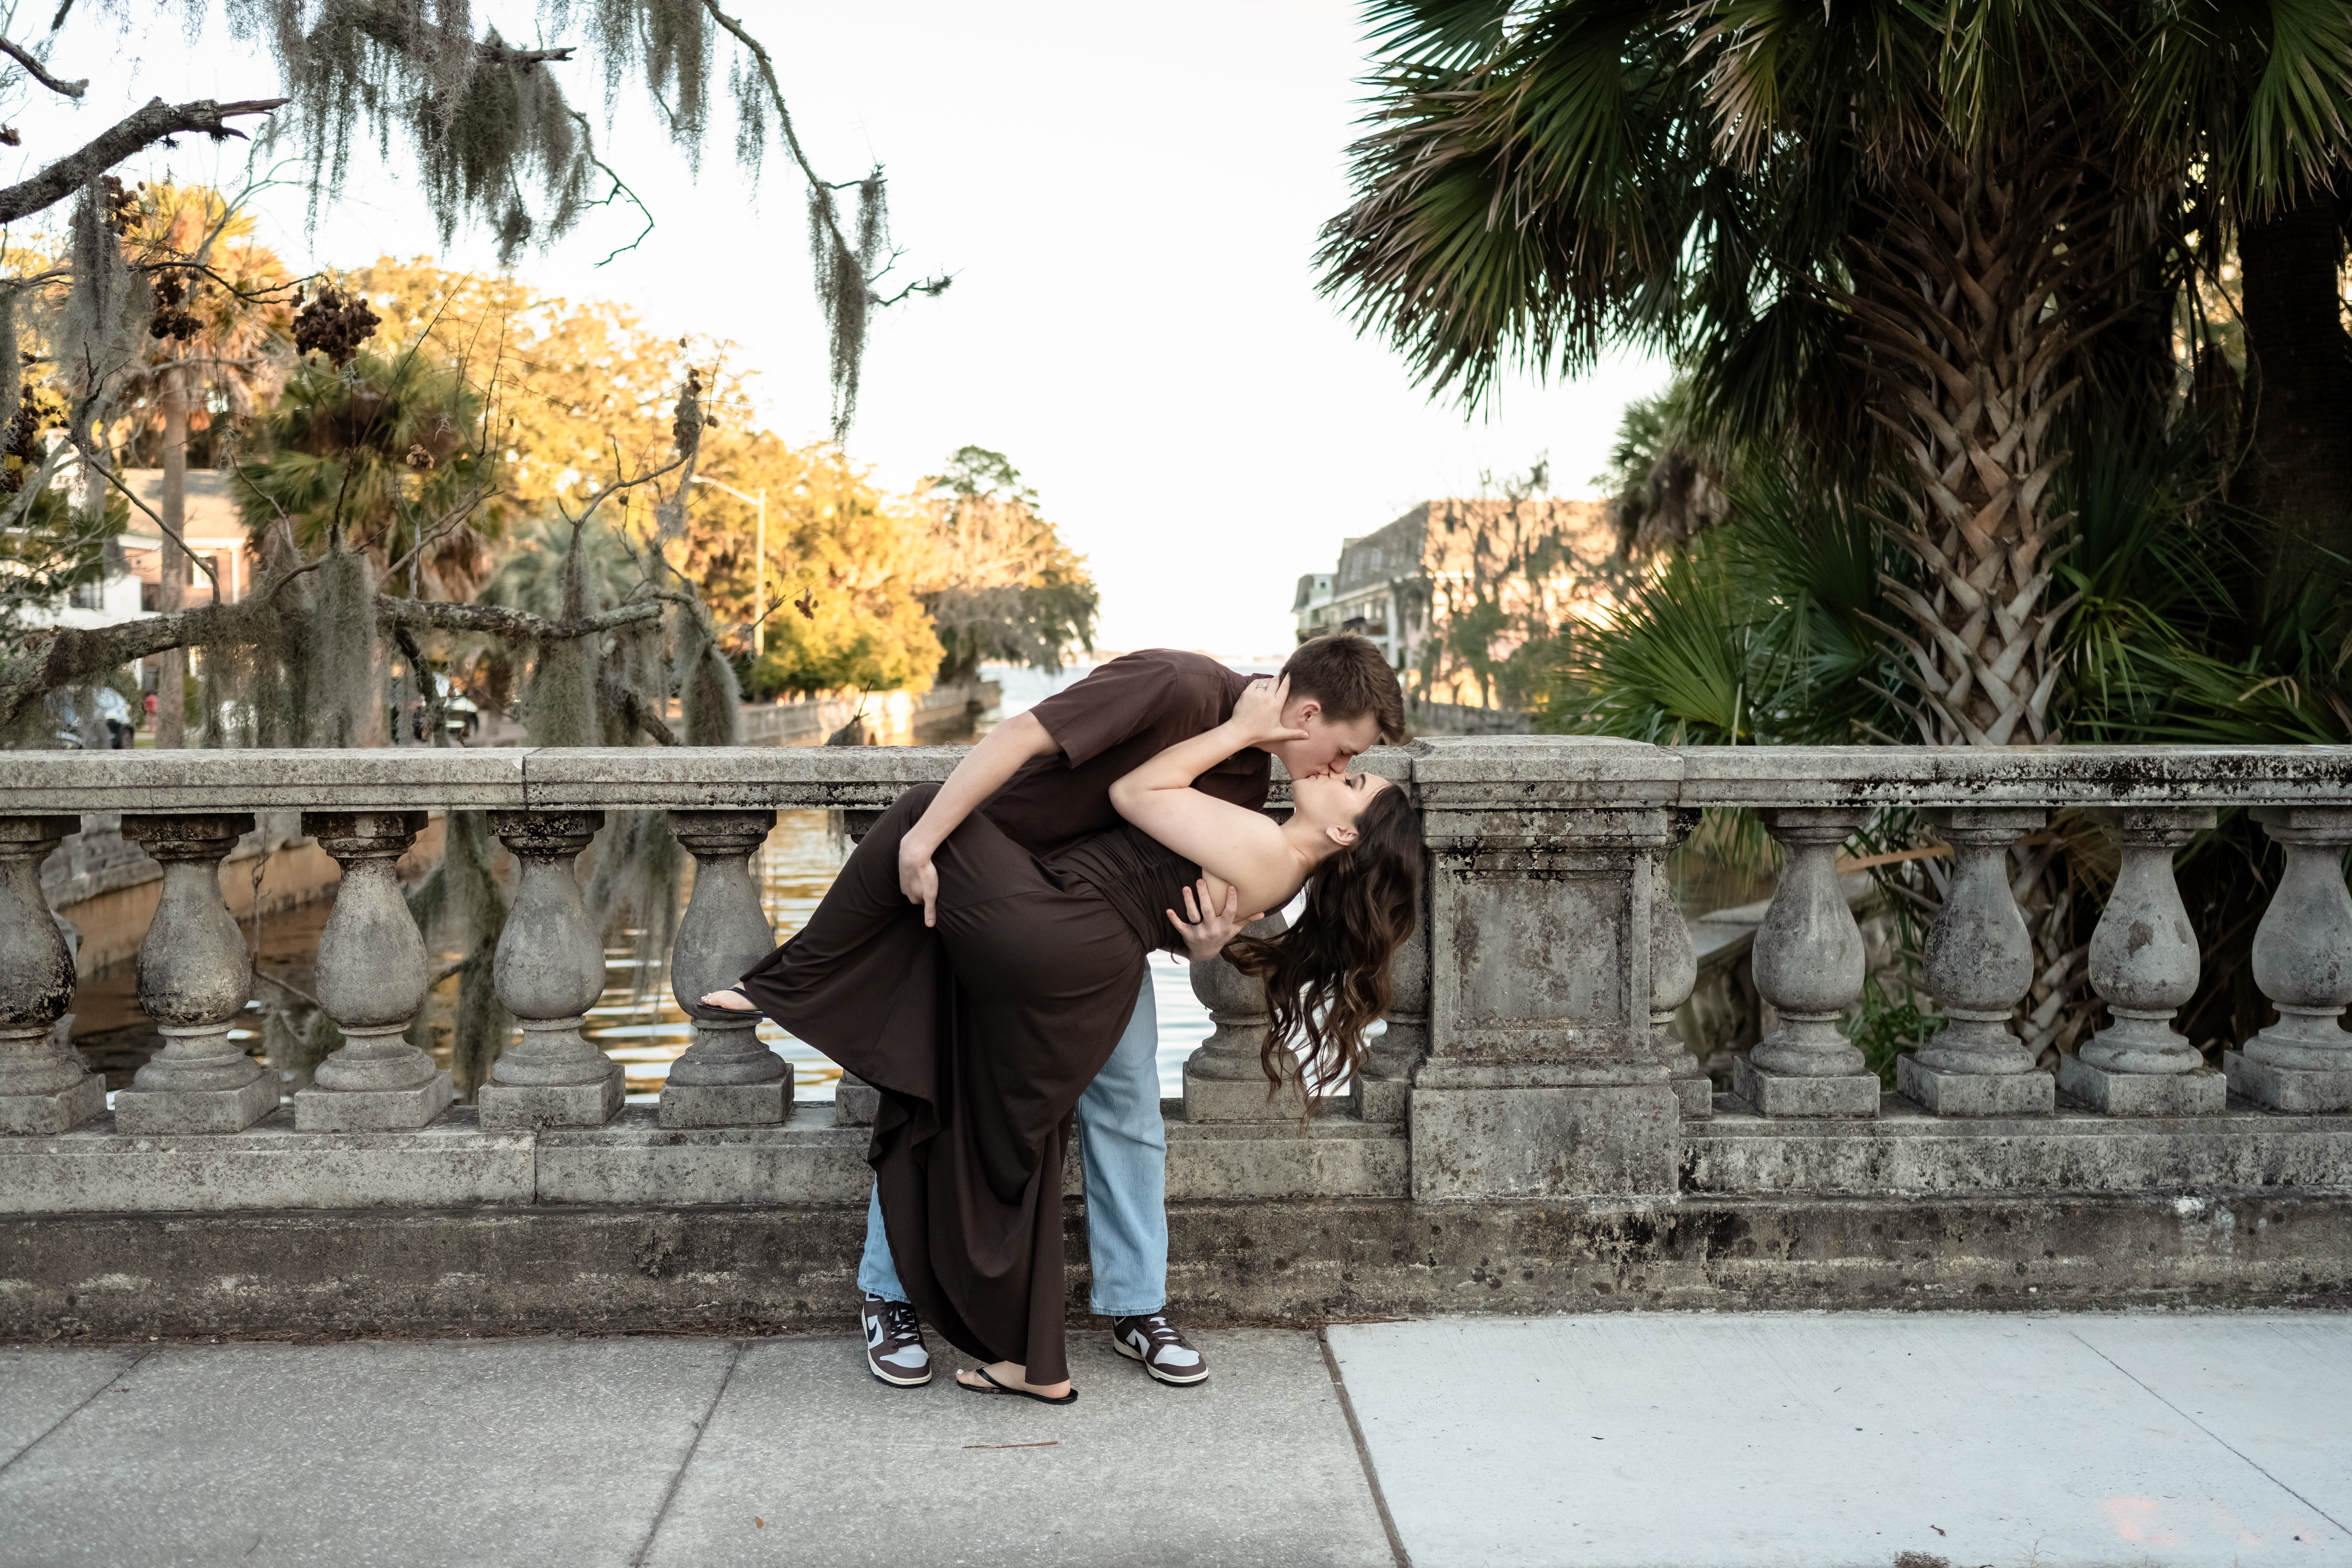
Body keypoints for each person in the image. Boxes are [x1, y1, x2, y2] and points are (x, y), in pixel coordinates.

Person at [714, 670, 1421, 1402]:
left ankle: (784, 982)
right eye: (1347, 755)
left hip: (1067, 937)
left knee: (926, 823)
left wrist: (1239, 739)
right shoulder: (1183, 692)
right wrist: (1206, 937)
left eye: (1351, 774)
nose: (1338, 769)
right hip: (1053, 915)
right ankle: (1013, 1351)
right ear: (1307, 713)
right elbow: (1143, 850)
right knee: (1001, 1125)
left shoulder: (1256, 802)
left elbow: (1136, 802)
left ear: (1345, 832)